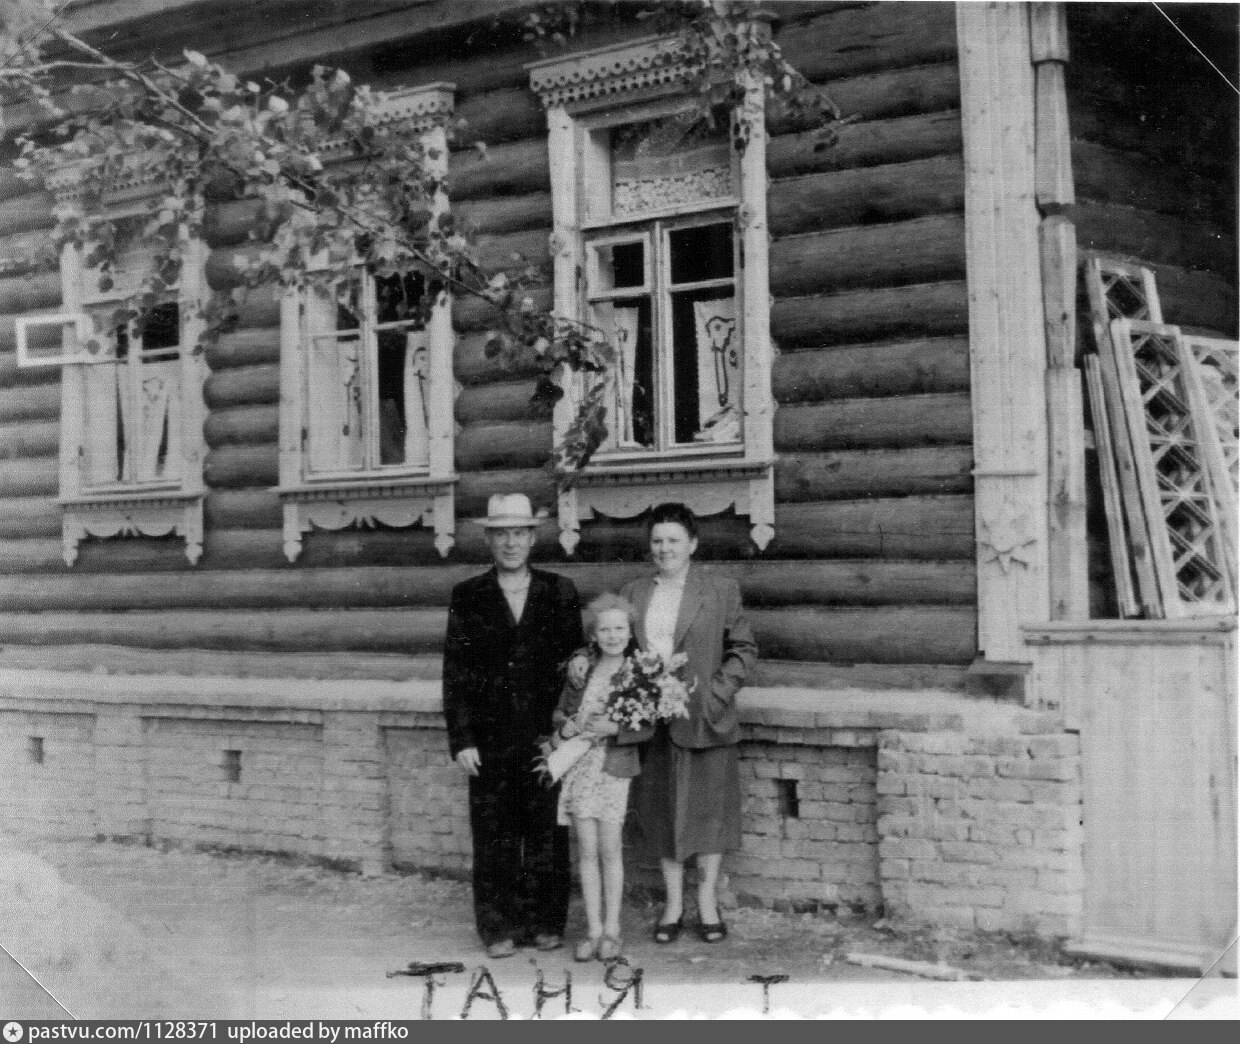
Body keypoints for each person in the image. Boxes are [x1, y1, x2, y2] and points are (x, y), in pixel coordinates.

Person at [441, 493, 584, 959]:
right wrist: (462, 739)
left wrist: (571, 723)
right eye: (501, 534)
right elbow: (456, 672)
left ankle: (544, 923)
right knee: (494, 834)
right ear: (488, 540)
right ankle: (498, 927)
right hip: (490, 737)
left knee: (546, 831)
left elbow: (576, 659)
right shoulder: (469, 595)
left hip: (547, 736)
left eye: (519, 533)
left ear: (532, 539)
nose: (510, 543)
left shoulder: (559, 591)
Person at [620, 502, 757, 944]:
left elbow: (743, 650)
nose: (664, 549)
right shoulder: (634, 592)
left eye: (674, 540)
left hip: (704, 717)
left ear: (693, 544)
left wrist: (714, 696)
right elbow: (616, 645)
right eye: (657, 541)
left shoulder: (719, 590)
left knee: (709, 813)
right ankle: (673, 905)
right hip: (653, 721)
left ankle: (707, 902)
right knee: (662, 813)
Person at [549, 594, 648, 962]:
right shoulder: (582, 671)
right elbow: (560, 713)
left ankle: (612, 929)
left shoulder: (640, 673)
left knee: (610, 849)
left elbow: (649, 727)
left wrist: (616, 729)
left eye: (620, 628)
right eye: (605, 629)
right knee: (587, 851)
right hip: (579, 766)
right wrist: (567, 725)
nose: (613, 635)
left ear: (630, 632)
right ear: (593, 635)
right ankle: (592, 930)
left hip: (613, 768)